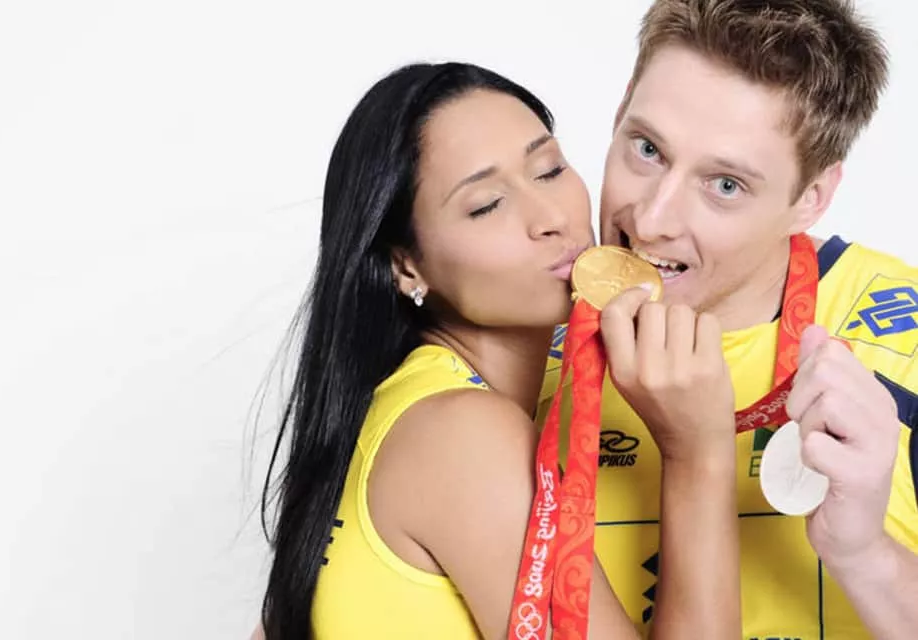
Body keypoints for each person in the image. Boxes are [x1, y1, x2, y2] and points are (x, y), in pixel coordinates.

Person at [255, 61, 743, 639]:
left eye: (549, 169)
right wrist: (698, 453)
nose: (552, 218)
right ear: (406, 266)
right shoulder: (464, 434)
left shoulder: (402, 406)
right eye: (487, 204)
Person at [539, 1, 918, 638]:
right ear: (621, 108)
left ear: (811, 198)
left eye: (725, 186)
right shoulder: (522, 336)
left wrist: (865, 556)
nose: (651, 219)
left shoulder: (904, 341)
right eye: (647, 149)